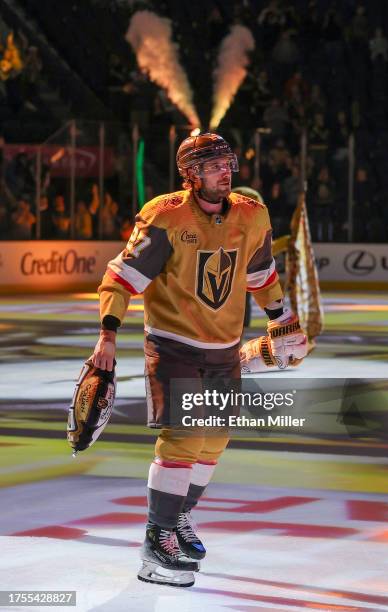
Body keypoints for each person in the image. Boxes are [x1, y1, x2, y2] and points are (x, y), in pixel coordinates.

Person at [91, 133, 308, 587]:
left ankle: (175, 519)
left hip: (225, 347)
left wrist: (282, 320)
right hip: (174, 344)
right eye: (212, 166)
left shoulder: (251, 214)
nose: (224, 172)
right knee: (185, 438)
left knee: (215, 440)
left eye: (227, 163)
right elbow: (122, 277)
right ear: (190, 175)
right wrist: (107, 335)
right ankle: (157, 537)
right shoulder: (166, 215)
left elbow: (260, 273)